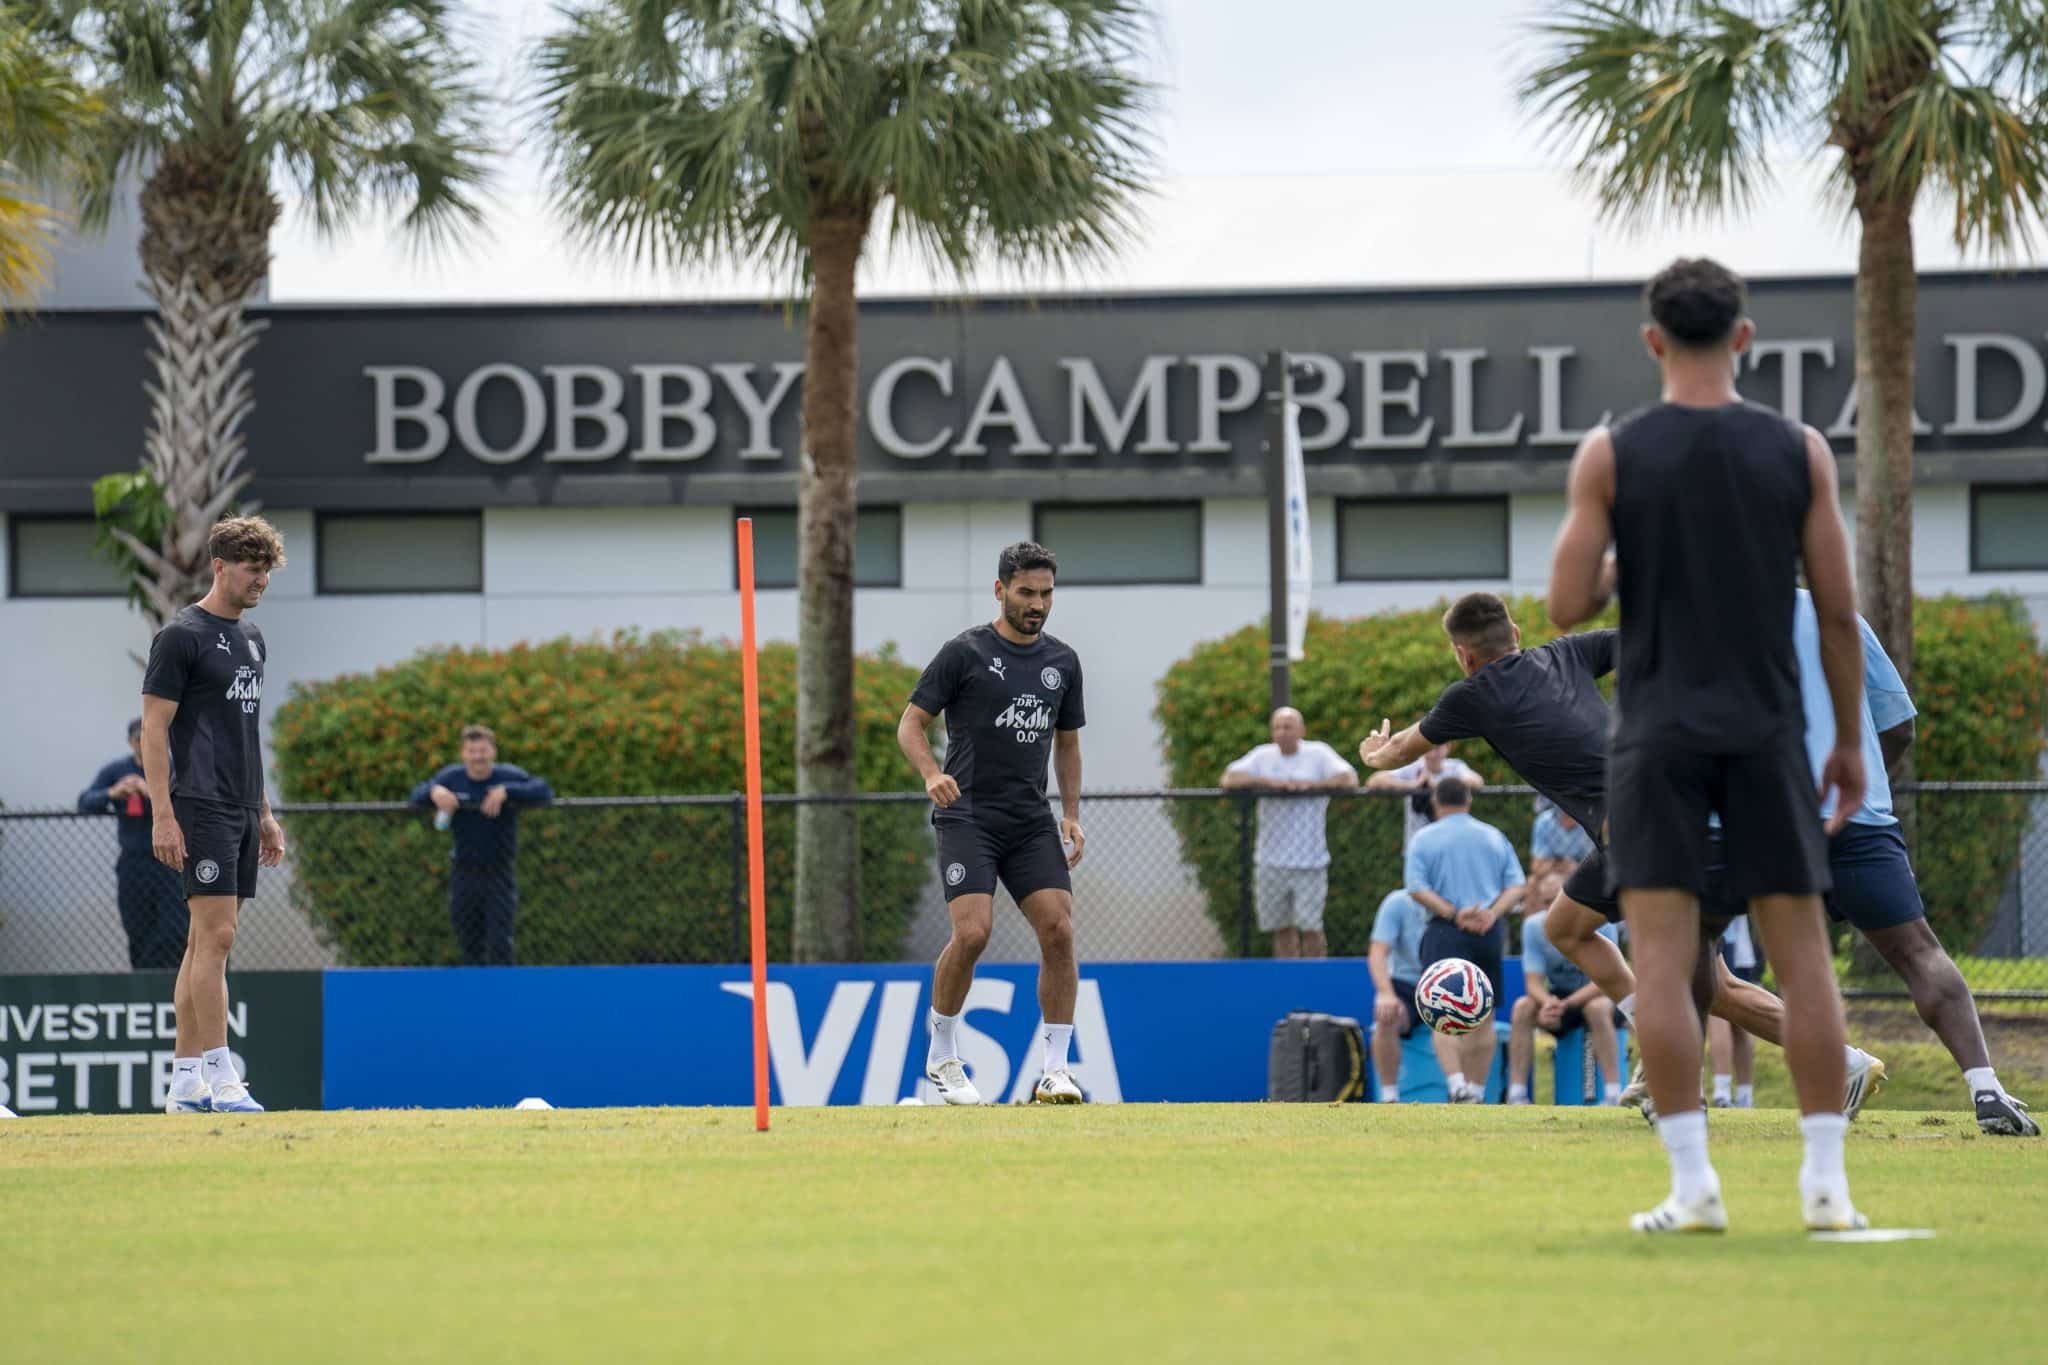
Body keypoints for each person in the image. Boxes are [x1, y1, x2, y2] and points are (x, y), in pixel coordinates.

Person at [1548, 256, 1870, 1233]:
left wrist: (1624, 561)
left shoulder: (1609, 453)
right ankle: (1825, 1186)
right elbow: (1838, 612)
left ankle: (1693, 1187)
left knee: (1659, 961)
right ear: (1743, 337)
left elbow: (1564, 604)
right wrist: (1846, 743)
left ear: (1651, 340)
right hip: (1767, 729)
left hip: (1655, 736)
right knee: (1802, 959)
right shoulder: (1799, 450)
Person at [1358, 590, 1884, 1124]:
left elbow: (1401, 750)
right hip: (1677, 816)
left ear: (1464, 656)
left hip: (1645, 831)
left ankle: (1816, 1065)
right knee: (1573, 930)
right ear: (1515, 633)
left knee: (1708, 984)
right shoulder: (1569, 652)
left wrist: (1374, 752)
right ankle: (1677, 1052)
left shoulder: (1472, 695)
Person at [1784, 588, 2037, 1136]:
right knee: (1920, 952)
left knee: (1701, 948)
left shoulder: (1713, 617)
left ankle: (1676, 1095)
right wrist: (1861, 784)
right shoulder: (1840, 617)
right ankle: (1985, 1087)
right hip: (1859, 819)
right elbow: (1899, 727)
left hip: (1769, 819)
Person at [898, 541, 1086, 1106]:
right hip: (968, 815)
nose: (1037, 604)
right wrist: (931, 773)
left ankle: (1055, 1071)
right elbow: (911, 724)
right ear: (1001, 590)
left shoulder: (1063, 662)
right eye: (1026, 592)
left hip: (1029, 819)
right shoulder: (965, 653)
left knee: (1059, 930)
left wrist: (1071, 814)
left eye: (1046, 594)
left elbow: (1068, 744)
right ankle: (942, 1055)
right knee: (974, 933)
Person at [141, 515, 288, 1115]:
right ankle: (224, 1080)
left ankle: (184, 1083)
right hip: (200, 805)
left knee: (204, 942)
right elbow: (154, 730)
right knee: (219, 938)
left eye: (267, 572)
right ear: (220, 566)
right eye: (252, 570)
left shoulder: (252, 638)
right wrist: (162, 814)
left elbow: (245, 732)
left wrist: (266, 812)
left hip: (243, 807)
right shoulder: (181, 636)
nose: (261, 582)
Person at [1405, 776, 1523, 1103]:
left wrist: (1455, 914)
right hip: (1487, 932)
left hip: (1445, 931)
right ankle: (1476, 1090)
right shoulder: (1493, 836)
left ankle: (1457, 1085)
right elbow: (1517, 886)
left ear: (1435, 802)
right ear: (1468, 800)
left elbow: (1416, 887)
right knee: (1483, 1013)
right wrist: (1492, 914)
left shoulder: (1424, 838)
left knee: (1439, 1011)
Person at [409, 725, 556, 967]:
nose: (478, 756)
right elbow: (416, 795)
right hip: (464, 871)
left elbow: (544, 791)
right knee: (468, 939)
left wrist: (507, 791)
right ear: (463, 754)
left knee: (500, 940)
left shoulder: (507, 775)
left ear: (493, 752)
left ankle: (503, 988)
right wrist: (434, 791)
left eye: (483, 750)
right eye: (472, 751)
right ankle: (474, 988)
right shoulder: (452, 777)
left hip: (499, 872)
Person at [1219, 707, 1359, 958]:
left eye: (1288, 726)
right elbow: (1229, 779)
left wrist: (1311, 786)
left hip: (1310, 860)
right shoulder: (1262, 756)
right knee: (1280, 928)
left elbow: (1349, 779)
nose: (1282, 732)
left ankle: (1314, 973)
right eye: (1277, 727)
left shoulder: (1318, 754)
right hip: (1270, 860)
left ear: (1301, 730)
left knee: (1311, 927)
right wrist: (1268, 783)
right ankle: (1287, 974)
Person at [77, 717, 188, 968]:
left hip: (170, 861)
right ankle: (144, 978)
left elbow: (188, 805)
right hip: (134, 862)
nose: (143, 744)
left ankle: (170, 975)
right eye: (139, 739)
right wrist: (113, 792)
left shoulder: (175, 767)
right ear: (130, 742)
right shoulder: (116, 771)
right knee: (137, 927)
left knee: (175, 927)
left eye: (148, 738)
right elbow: (84, 802)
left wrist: (152, 792)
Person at [1511, 895, 1623, 1105]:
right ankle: (1516, 1094)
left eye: (1556, 901)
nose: (1552, 908)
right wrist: (1548, 1004)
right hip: (1559, 998)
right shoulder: (1534, 926)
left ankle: (1613, 1093)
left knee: (1597, 1008)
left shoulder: (1603, 923)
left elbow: (1606, 980)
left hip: (1596, 996)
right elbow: (1533, 983)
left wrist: (1567, 1003)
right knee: (1522, 1007)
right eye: (1547, 902)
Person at [1366, 888, 1430, 1103]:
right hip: (1406, 987)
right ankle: (1389, 1097)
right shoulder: (1397, 902)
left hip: (1446, 983)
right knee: (1386, 1016)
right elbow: (1377, 953)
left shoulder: (1459, 904)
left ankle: (1462, 1091)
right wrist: (1385, 994)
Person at [1365, 743, 1484, 848]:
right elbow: (1374, 781)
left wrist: (1438, 786)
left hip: (1449, 843)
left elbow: (1477, 782)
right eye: (1429, 748)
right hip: (1417, 843)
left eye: (1437, 748)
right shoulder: (1413, 767)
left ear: (1447, 747)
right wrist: (1413, 786)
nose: (1432, 754)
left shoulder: (1455, 767)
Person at [1709, 917, 1762, 1108]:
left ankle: (1722, 1092)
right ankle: (1744, 1096)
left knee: (1718, 1013)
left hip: (1723, 939)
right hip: (1740, 945)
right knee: (1740, 1019)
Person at [1530, 800, 1594, 878]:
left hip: (1580, 877)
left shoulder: (1591, 824)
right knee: (1534, 880)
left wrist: (1573, 868)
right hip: (1549, 876)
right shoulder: (1543, 821)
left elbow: (1594, 867)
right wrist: (1555, 866)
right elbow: (1536, 867)